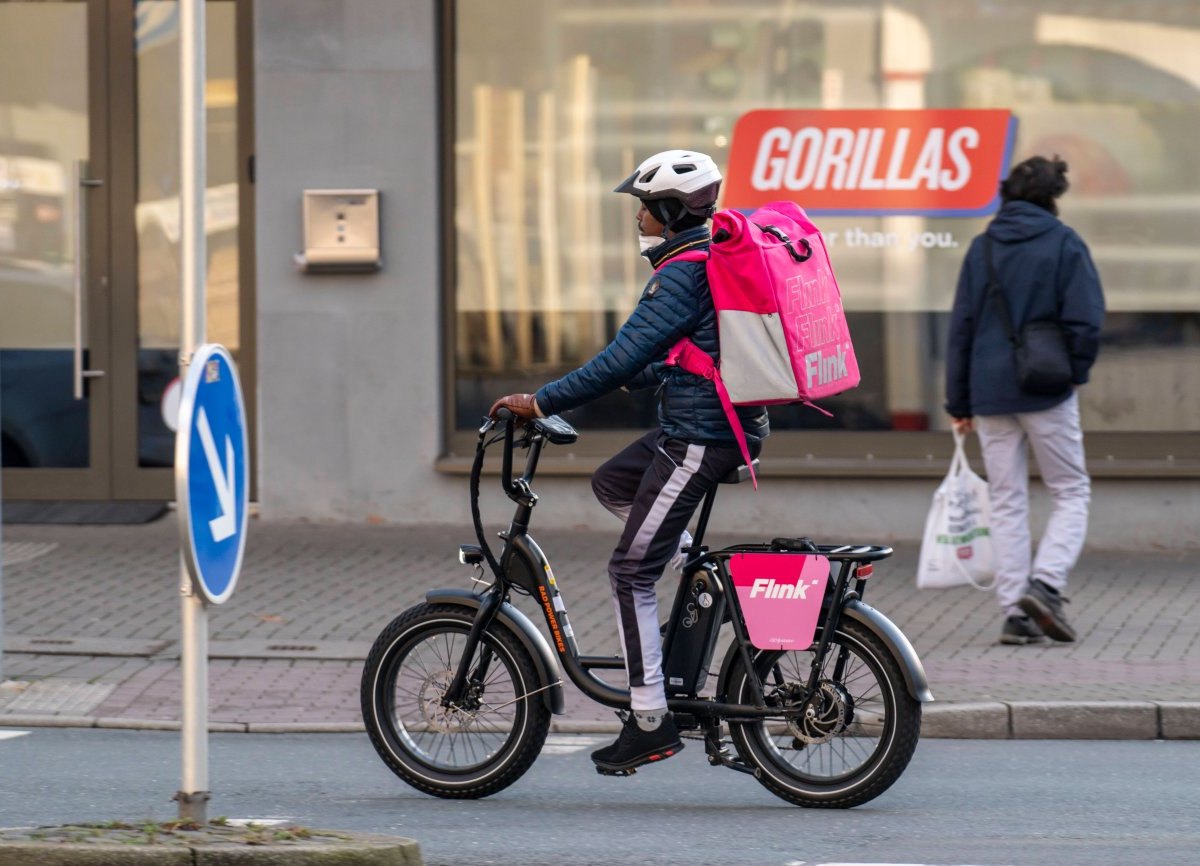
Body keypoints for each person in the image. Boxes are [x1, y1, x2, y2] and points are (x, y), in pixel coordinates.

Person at [488, 149, 769, 773]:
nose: (638, 217)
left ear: (669, 212)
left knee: (631, 573)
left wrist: (541, 401)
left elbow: (621, 356)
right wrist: (638, 375)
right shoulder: (704, 260)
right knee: (614, 480)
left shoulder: (681, 272)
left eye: (644, 206)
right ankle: (693, 565)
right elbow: (668, 354)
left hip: (701, 435)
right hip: (704, 425)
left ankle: (650, 718)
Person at [945, 155, 1105, 646]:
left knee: (1008, 499)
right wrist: (1074, 373)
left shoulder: (984, 247)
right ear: (1051, 198)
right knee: (1071, 491)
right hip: (1046, 387)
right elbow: (1086, 320)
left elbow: (963, 328)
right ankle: (1047, 584)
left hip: (991, 394)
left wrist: (959, 402)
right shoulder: (1064, 243)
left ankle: (1016, 612)